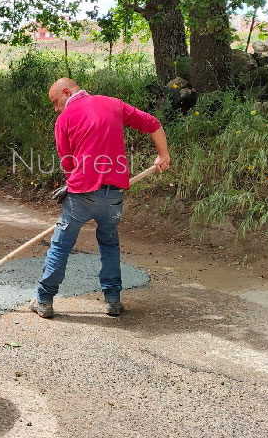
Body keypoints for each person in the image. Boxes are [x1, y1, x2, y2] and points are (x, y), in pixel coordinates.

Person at [31, 78, 170, 318]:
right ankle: (113, 300)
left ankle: (44, 300)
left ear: (66, 92)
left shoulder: (64, 119)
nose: (55, 108)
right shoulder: (113, 104)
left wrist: (72, 184)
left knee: (61, 245)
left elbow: (68, 162)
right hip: (112, 196)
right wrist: (163, 155)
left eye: (55, 102)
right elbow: (153, 123)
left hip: (81, 195)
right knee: (109, 243)